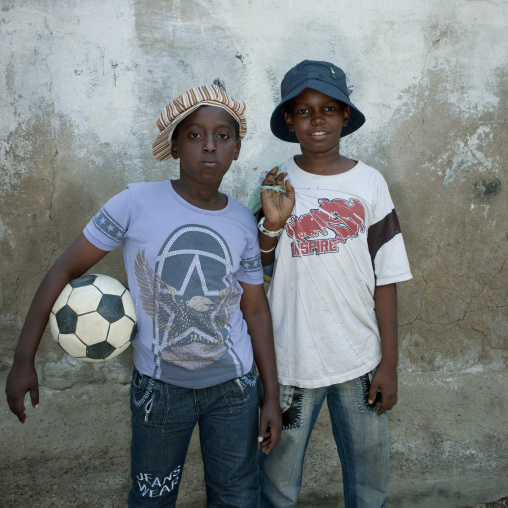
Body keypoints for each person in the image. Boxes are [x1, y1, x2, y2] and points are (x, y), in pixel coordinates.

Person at [6, 84, 282, 507]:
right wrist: (23, 359)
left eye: (222, 136)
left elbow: (255, 307)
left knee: (237, 496)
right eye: (194, 135)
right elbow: (65, 269)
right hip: (160, 391)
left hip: (235, 391)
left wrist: (271, 395)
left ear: (237, 149)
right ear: (174, 146)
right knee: (153, 498)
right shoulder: (135, 203)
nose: (209, 146)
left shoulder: (244, 221)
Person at [253, 60, 412, 508]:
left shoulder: (370, 183)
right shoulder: (274, 181)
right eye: (303, 110)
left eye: (328, 108)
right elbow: (255, 270)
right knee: (278, 484)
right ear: (289, 119)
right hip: (289, 365)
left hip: (360, 362)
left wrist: (389, 364)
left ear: (344, 115)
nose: (316, 119)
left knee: (368, 483)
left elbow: (388, 278)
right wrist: (272, 224)